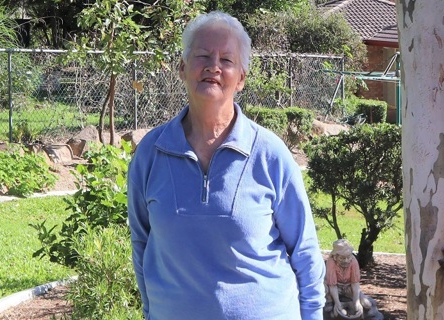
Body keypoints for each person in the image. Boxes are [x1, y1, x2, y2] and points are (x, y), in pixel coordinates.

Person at [127, 11, 326, 320]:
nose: (214, 66)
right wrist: (152, 311)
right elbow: (142, 242)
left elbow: (304, 249)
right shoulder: (151, 153)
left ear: (241, 78)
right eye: (202, 55)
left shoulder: (270, 154)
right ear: (182, 68)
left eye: (227, 60)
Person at [323, 239, 382, 320]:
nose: (346, 260)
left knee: (367, 305)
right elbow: (332, 285)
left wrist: (356, 301)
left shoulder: (353, 261)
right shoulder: (331, 262)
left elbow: (355, 283)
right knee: (325, 291)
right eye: (342, 258)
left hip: (348, 286)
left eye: (348, 257)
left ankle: (355, 302)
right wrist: (337, 303)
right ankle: (329, 300)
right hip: (334, 287)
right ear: (335, 256)